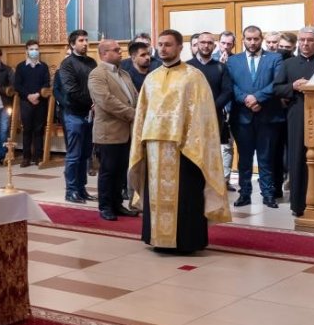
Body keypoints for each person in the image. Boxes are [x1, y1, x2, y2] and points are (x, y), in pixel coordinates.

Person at [130, 29, 231, 253]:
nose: (163, 49)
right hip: (155, 147)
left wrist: (191, 141)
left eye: (168, 45)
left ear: (179, 48)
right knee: (156, 196)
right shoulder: (151, 78)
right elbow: (142, 114)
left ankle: (187, 241)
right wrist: (141, 143)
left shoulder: (193, 76)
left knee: (186, 196)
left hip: (184, 148)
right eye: (160, 45)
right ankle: (156, 238)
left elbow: (203, 114)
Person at [227, 26, 283, 208]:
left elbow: (277, 83)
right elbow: (231, 85)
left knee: (266, 158)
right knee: (244, 159)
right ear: (243, 39)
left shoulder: (275, 58)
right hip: (242, 117)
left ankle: (268, 194)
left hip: (267, 116)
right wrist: (245, 98)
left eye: (256, 39)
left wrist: (258, 98)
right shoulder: (233, 60)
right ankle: (244, 194)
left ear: (261, 39)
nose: (252, 42)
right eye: (249, 39)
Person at [273, 27, 314, 217]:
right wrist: (292, 86)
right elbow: (277, 88)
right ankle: (298, 203)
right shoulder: (289, 64)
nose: (305, 43)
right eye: (302, 40)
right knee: (297, 157)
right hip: (297, 115)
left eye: (310, 40)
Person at [89, 40, 139, 220]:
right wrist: (133, 114)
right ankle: (105, 206)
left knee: (120, 171)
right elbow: (106, 101)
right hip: (108, 132)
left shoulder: (123, 73)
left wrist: (140, 108)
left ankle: (117, 204)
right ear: (104, 54)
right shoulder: (97, 74)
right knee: (108, 171)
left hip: (126, 132)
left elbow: (134, 95)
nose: (121, 52)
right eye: (116, 50)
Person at [188, 32, 234, 191]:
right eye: (202, 42)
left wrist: (211, 107)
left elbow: (227, 91)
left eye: (209, 43)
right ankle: (193, 184)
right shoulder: (187, 66)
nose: (206, 46)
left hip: (214, 117)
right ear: (196, 45)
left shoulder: (220, 67)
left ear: (214, 46)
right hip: (191, 118)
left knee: (211, 153)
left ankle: (211, 185)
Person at [57, 29, 97, 201]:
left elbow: (96, 85)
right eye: (81, 40)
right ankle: (71, 190)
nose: (85, 43)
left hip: (90, 114)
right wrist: (92, 102)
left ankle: (81, 188)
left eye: (86, 40)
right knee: (74, 155)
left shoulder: (91, 62)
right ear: (72, 44)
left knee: (86, 154)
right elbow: (71, 91)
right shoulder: (67, 64)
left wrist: (97, 101)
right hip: (73, 113)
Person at [13, 40, 51, 167]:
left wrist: (38, 94)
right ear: (27, 51)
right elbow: (17, 85)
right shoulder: (21, 67)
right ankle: (26, 158)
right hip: (26, 102)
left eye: (36, 49)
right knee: (27, 130)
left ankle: (38, 157)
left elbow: (46, 83)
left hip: (41, 102)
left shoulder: (44, 66)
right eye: (31, 49)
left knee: (39, 130)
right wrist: (29, 96)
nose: (34, 51)